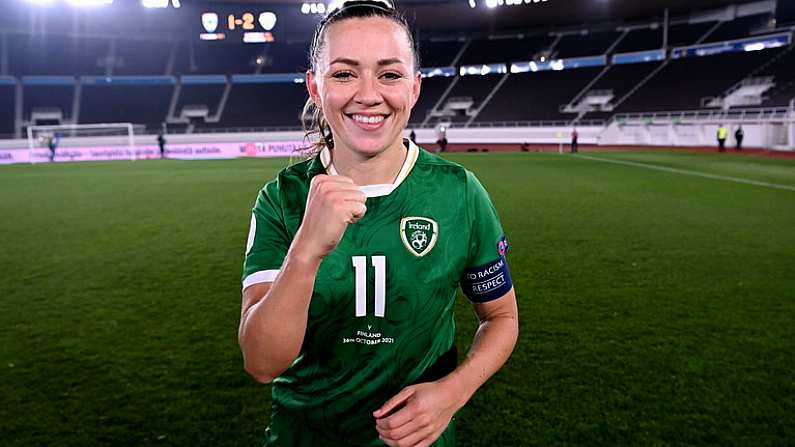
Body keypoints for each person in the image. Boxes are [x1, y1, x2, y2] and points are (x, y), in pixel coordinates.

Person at [238, 1, 519, 446]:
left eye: (389, 74)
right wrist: (306, 250)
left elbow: (501, 317)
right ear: (315, 86)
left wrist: (453, 392)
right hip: (306, 437)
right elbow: (261, 362)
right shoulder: (282, 200)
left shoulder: (459, 193)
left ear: (414, 87)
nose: (368, 94)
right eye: (345, 73)